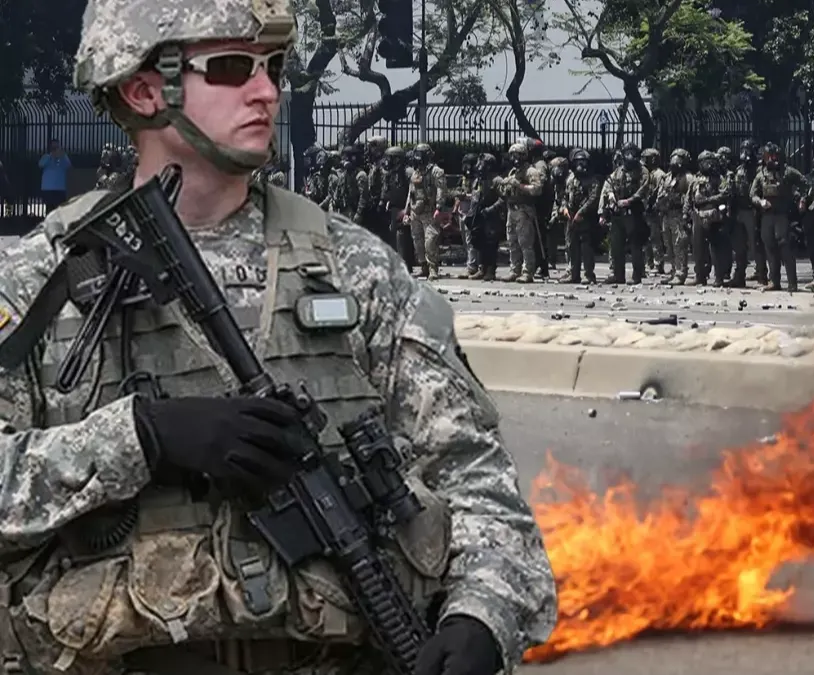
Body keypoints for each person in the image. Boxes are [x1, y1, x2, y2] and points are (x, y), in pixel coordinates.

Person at [0, 2, 557, 675]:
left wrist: (481, 615)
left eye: (273, 67)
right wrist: (140, 436)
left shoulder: (356, 266)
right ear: (143, 89)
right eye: (233, 68)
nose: (266, 89)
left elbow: (475, 477)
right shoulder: (36, 280)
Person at [37, 139, 72, 213]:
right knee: (49, 210)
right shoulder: (46, 156)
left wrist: (61, 156)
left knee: (60, 210)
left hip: (60, 189)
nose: (55, 149)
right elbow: (40, 164)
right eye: (53, 147)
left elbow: (68, 165)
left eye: (57, 147)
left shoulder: (63, 157)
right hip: (48, 189)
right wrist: (51, 156)